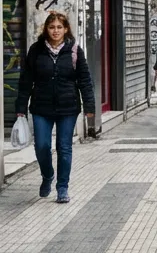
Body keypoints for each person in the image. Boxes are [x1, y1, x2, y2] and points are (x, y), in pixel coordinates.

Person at [15, 11, 97, 203]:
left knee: (64, 147)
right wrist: (20, 107)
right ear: (46, 29)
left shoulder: (75, 50)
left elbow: (85, 80)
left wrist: (89, 107)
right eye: (52, 27)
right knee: (42, 146)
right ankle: (47, 175)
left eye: (59, 27)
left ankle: (62, 188)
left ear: (66, 29)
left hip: (68, 107)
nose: (55, 31)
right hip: (41, 107)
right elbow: (26, 80)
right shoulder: (36, 50)